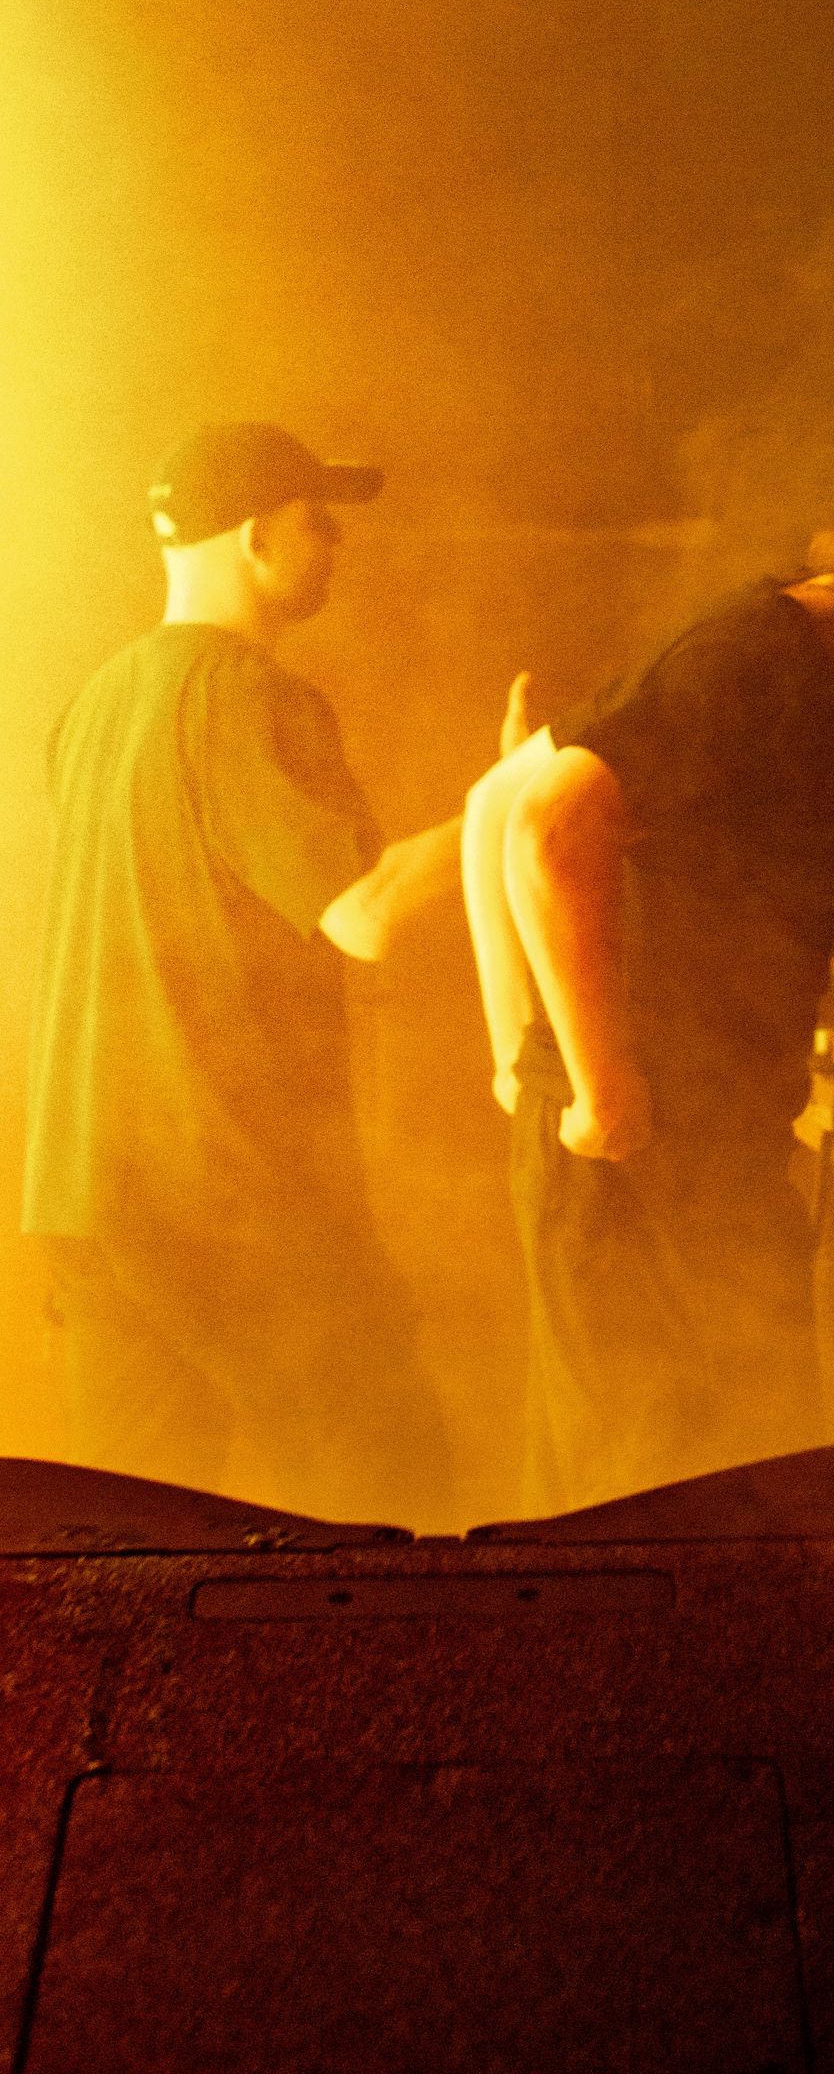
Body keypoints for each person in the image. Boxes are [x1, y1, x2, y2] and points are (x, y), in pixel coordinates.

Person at [462, 474, 834, 1513]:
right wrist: (597, 1089)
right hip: (655, 1173)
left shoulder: (767, 655)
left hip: (667, 1164)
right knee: (674, 1519)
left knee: (698, 1502)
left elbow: (490, 802)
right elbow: (547, 830)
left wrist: (521, 1055)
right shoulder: (751, 662)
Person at [23, 420, 519, 1525]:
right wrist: (513, 797)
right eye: (318, 525)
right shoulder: (250, 696)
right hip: (231, 1201)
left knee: (131, 1555)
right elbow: (365, 914)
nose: (336, 545)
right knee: (388, 1516)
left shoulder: (91, 707)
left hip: (97, 1199)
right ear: (256, 538)